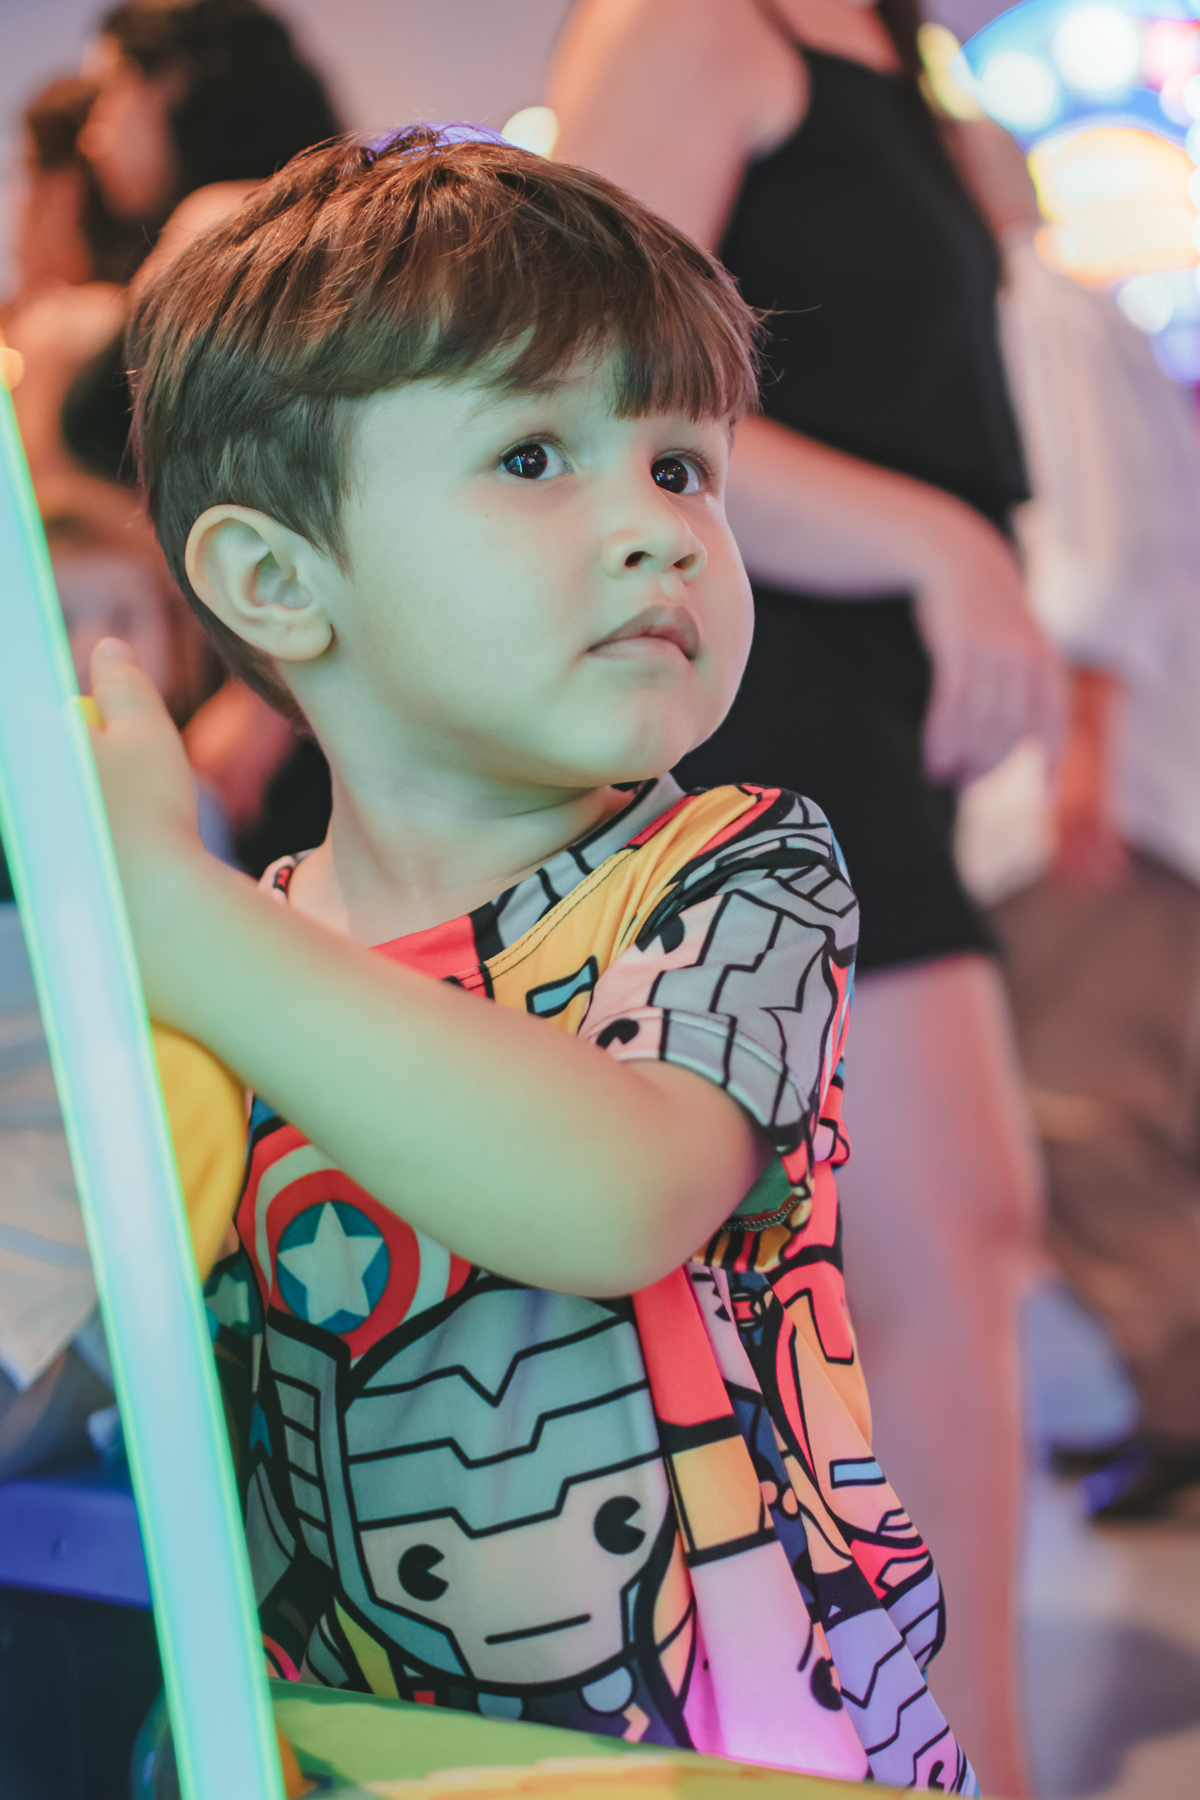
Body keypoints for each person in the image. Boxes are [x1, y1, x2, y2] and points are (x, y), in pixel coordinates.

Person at [87, 124, 977, 1789]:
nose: (659, 528)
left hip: (734, 1758)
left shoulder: (730, 870)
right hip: (345, 1753)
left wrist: (164, 911)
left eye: (681, 466)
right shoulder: (222, 971)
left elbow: (609, 1192)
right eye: (531, 458)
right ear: (278, 579)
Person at [546, 5, 1061, 1792]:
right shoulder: (698, 20)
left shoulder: (885, 48)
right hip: (767, 685)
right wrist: (944, 541)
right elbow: (597, 379)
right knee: (928, 1254)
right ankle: (950, 1759)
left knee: (947, 1250)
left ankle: (946, 1750)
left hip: (852, 690)